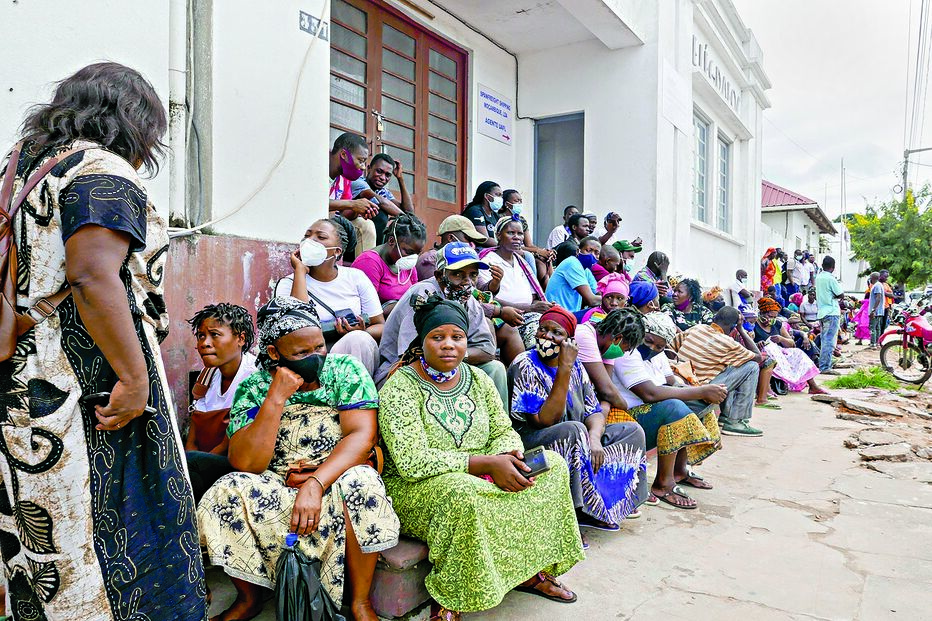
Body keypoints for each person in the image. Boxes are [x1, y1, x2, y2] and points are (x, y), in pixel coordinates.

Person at [0, 62, 206, 619]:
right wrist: (136, 378)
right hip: (89, 380)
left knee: (46, 535)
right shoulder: (103, 170)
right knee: (119, 534)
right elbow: (93, 276)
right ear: (134, 121)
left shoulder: (24, 170)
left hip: (24, 376)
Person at [378, 295, 583, 620]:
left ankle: (529, 571)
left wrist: (509, 455)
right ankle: (450, 599)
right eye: (438, 337)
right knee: (464, 495)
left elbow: (502, 430)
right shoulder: (400, 387)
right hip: (416, 488)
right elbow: (411, 461)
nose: (449, 346)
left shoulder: (478, 379)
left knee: (552, 468)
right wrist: (484, 464)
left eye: (457, 337)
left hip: (479, 472)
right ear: (422, 340)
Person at [198, 297, 400, 621]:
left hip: (334, 476)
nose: (315, 359)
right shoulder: (254, 386)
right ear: (275, 353)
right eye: (302, 354)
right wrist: (276, 398)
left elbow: (362, 435)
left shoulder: (344, 370)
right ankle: (249, 598)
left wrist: (317, 483)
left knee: (363, 483)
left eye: (319, 347)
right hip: (276, 481)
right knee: (226, 490)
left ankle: (361, 602)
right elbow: (247, 462)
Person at [508, 306, 648, 532]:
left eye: (556, 333)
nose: (547, 336)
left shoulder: (577, 367)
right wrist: (564, 367)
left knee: (632, 431)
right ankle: (569, 519)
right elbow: (544, 421)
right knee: (574, 430)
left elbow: (594, 411)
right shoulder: (525, 363)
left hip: (578, 441)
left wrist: (594, 440)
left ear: (569, 341)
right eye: (543, 330)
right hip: (532, 448)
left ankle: (600, 508)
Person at [609, 312, 723, 509]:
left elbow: (672, 382)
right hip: (629, 418)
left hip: (652, 410)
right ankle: (663, 483)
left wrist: (702, 394)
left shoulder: (658, 356)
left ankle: (680, 470)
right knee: (674, 407)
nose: (652, 348)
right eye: (649, 341)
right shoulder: (628, 352)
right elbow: (649, 394)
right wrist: (702, 390)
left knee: (702, 405)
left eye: (659, 346)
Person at [376, 242, 510, 406]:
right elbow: (410, 356)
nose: (467, 282)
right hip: (404, 373)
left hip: (449, 368)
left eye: (473, 275)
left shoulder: (468, 299)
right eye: (458, 274)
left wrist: (455, 356)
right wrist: (450, 358)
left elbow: (487, 350)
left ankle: (500, 429)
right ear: (440, 275)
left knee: (494, 368)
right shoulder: (423, 294)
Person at [275, 218, 384, 375]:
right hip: (311, 358)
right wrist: (300, 271)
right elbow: (297, 329)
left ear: (337, 251)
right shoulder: (288, 283)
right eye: (307, 235)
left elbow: (380, 326)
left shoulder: (356, 277)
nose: (310, 240)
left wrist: (358, 332)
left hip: (354, 351)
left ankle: (358, 398)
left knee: (359, 340)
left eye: (321, 237)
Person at [185, 303, 258, 502]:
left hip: (237, 462)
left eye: (214, 335)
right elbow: (193, 435)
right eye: (201, 336)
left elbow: (229, 445)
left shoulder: (254, 377)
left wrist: (193, 462)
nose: (204, 343)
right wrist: (188, 459)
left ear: (240, 339)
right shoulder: (206, 376)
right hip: (202, 461)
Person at [673, 307, 764, 437]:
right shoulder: (728, 342)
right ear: (732, 327)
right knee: (751, 366)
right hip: (699, 396)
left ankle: (725, 417)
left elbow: (672, 347)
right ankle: (735, 422)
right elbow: (758, 356)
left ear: (714, 318)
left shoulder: (697, 328)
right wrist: (741, 329)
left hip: (679, 387)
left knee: (733, 363)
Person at [480, 215, 554, 348]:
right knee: (540, 335)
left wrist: (545, 306)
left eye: (520, 234)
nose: (517, 237)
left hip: (527, 314)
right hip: (504, 318)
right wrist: (530, 308)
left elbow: (531, 298)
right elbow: (488, 298)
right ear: (498, 235)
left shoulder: (522, 263)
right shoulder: (488, 261)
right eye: (510, 233)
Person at [352, 212, 427, 317]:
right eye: (409, 252)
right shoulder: (369, 262)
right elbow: (367, 310)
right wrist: (406, 305)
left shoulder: (408, 264)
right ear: (392, 241)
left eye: (418, 253)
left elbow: (414, 295)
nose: (413, 257)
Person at [755, 297, 827, 394]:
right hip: (765, 354)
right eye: (769, 316)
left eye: (774, 317)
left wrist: (781, 339)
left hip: (780, 353)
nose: (772, 319)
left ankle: (813, 386)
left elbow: (792, 344)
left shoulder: (777, 324)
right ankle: (767, 389)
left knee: (798, 353)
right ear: (761, 313)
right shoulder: (754, 325)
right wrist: (758, 343)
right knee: (769, 348)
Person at [328, 132, 379, 258]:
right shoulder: (318, 167)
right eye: (361, 161)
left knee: (366, 225)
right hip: (312, 223)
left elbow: (344, 214)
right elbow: (314, 202)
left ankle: (365, 270)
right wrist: (353, 204)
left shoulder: (344, 179)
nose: (362, 167)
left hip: (330, 223)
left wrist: (358, 210)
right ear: (344, 155)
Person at [350, 152, 414, 245]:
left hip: (367, 237)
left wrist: (400, 178)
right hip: (349, 233)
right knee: (380, 214)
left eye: (388, 175)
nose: (383, 178)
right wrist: (410, 221)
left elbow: (408, 211)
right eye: (379, 171)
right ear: (368, 169)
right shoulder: (358, 182)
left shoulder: (383, 192)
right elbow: (381, 202)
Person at [498, 189, 555, 283]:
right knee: (529, 256)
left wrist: (544, 252)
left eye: (521, 201)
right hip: (509, 249)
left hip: (521, 249)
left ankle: (546, 292)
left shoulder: (522, 220)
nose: (519, 203)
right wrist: (538, 251)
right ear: (507, 204)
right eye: (516, 201)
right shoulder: (500, 218)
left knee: (544, 259)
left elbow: (529, 244)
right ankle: (533, 287)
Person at [416, 214, 487, 281]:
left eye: (473, 241)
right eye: (468, 239)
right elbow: (439, 290)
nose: (471, 244)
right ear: (451, 238)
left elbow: (481, 287)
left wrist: (493, 284)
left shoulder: (464, 259)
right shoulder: (431, 259)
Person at [546, 238, 602, 313]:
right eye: (588, 250)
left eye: (596, 253)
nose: (592, 255)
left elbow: (598, 292)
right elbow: (591, 300)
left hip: (570, 313)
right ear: (578, 251)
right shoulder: (573, 263)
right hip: (558, 314)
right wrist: (614, 300)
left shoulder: (586, 270)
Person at [815, 256, 844, 374]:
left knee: (824, 339)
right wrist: (837, 297)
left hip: (822, 311)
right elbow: (840, 294)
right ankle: (825, 367)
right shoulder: (831, 279)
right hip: (831, 311)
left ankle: (824, 363)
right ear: (833, 267)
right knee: (829, 341)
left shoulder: (819, 277)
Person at [462, 181, 502, 247]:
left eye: (501, 196)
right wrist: (506, 246)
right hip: (479, 250)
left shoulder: (495, 215)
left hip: (496, 249)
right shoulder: (475, 211)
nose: (500, 198)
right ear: (487, 196)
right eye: (498, 195)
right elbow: (484, 239)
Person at [868, 271, 886, 348]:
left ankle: (873, 344)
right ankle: (877, 343)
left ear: (872, 278)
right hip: (879, 310)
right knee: (877, 327)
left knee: (873, 327)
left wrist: (873, 310)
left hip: (876, 311)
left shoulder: (877, 286)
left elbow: (878, 298)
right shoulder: (879, 285)